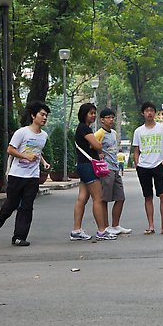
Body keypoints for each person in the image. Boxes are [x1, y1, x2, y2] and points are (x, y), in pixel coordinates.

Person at [0, 100, 51, 246]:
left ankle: (19, 237)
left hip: (32, 176)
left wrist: (43, 162)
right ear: (33, 115)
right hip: (17, 174)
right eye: (42, 114)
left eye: (46, 116)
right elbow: (10, 149)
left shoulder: (43, 135)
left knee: (26, 207)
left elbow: (37, 151)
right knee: (12, 203)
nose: (44, 118)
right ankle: (3, 215)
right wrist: (26, 156)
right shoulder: (22, 132)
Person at [70, 103, 117, 241]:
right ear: (84, 114)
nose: (94, 115)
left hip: (83, 166)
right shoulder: (84, 128)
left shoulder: (82, 128)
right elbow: (97, 145)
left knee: (82, 198)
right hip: (88, 166)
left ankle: (76, 230)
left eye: (94, 113)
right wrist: (98, 146)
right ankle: (102, 231)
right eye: (91, 113)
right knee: (98, 198)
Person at [132, 101, 163, 235]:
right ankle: (151, 225)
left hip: (158, 165)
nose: (149, 113)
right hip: (143, 166)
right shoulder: (138, 131)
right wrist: (137, 164)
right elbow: (136, 150)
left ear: (155, 113)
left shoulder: (162, 128)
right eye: (147, 111)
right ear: (143, 113)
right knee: (148, 196)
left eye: (152, 110)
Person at [94, 108, 132, 235]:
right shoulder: (99, 133)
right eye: (108, 117)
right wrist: (98, 154)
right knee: (104, 199)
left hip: (115, 168)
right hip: (106, 169)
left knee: (120, 197)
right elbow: (91, 146)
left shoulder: (114, 133)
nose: (111, 120)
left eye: (112, 117)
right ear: (102, 120)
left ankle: (116, 225)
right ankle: (105, 226)